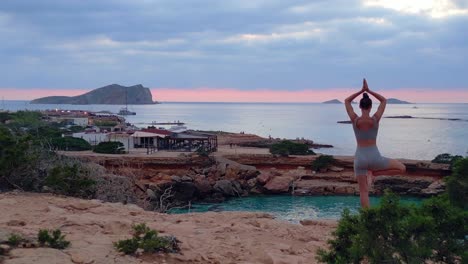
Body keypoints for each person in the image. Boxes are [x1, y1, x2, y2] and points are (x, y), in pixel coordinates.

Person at [345, 78, 406, 208]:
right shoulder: (375, 120)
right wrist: (369, 90)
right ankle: (375, 174)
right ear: (371, 106)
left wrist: (361, 91)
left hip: (360, 158)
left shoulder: (355, 120)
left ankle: (367, 218)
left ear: (360, 106)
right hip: (375, 158)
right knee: (402, 168)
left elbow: (347, 101)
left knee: (363, 192)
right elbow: (384, 100)